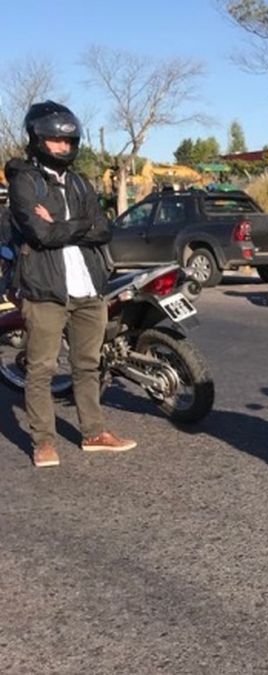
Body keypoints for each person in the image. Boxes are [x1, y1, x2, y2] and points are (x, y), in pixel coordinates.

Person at [5, 101, 137, 468]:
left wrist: (65, 226)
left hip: (88, 290)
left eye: (69, 141)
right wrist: (80, 226)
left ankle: (94, 432)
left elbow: (103, 228)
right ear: (36, 139)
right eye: (54, 140)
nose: (63, 147)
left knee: (88, 365)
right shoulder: (24, 181)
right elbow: (40, 233)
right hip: (46, 291)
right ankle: (43, 441)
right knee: (42, 368)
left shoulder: (79, 181)